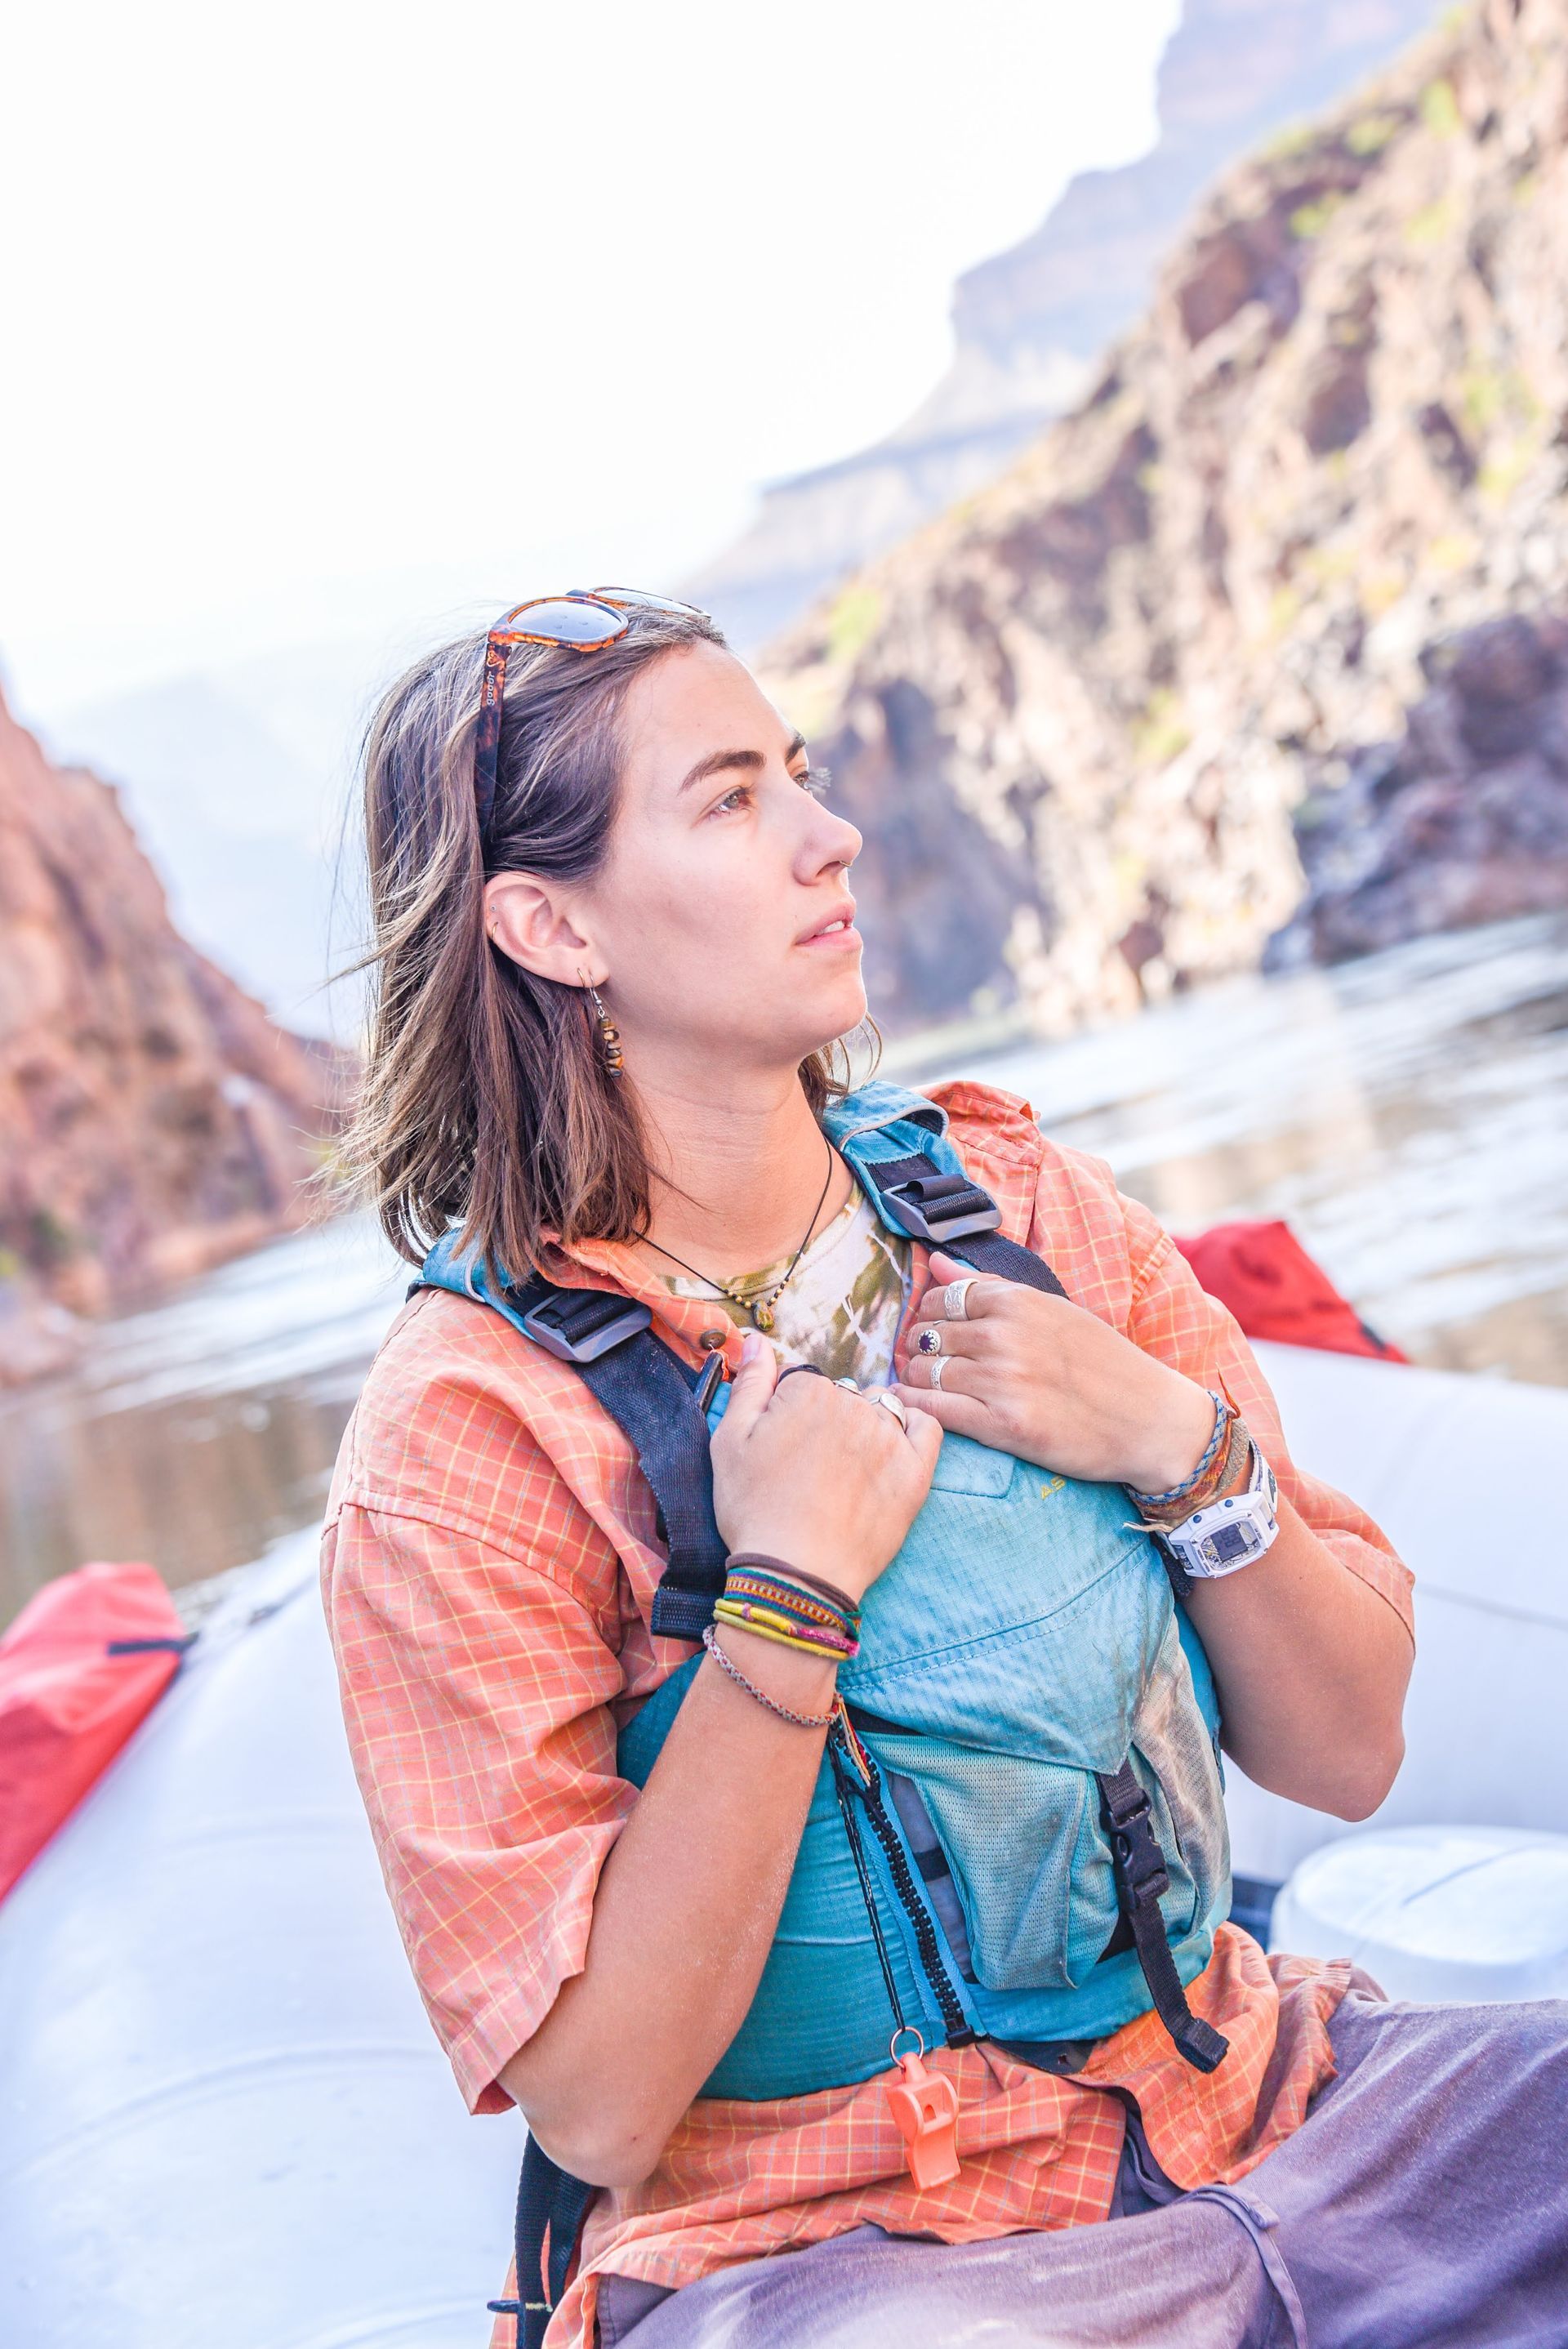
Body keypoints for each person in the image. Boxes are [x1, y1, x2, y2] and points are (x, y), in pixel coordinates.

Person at [322, 592, 1565, 2349]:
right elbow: (596, 2107)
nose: (832, 838)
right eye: (733, 798)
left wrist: (1165, 1437)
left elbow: (1348, 1750)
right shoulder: (469, 1443)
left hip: (1273, 2102)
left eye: (805, 778)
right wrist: (785, 1599)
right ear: (551, 921)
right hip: (845, 2259)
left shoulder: (1033, 1214)